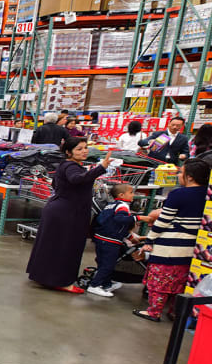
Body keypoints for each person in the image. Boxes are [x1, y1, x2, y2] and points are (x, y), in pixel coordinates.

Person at [26, 138, 114, 293]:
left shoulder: (66, 166)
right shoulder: (71, 166)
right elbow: (76, 179)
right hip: (67, 213)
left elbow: (59, 183)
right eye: (79, 149)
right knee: (67, 247)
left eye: (85, 148)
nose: (84, 151)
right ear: (68, 152)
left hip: (59, 210)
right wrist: (101, 168)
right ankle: (62, 282)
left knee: (52, 246)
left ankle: (44, 277)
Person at [134, 159, 210, 321]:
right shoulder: (207, 194)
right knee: (180, 283)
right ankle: (176, 312)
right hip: (191, 248)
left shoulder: (179, 194)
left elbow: (163, 221)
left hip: (169, 246)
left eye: (181, 172)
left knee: (159, 282)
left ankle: (153, 312)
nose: (178, 175)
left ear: (189, 177)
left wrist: (150, 239)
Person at [86, 183, 144, 297]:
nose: (133, 195)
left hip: (101, 238)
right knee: (108, 264)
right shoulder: (123, 206)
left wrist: (131, 238)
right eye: (131, 192)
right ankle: (94, 285)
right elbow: (120, 220)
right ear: (122, 195)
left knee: (103, 262)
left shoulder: (111, 205)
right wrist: (138, 217)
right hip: (110, 241)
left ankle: (106, 284)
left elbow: (115, 226)